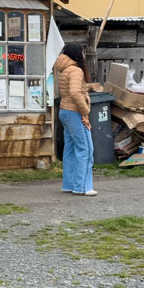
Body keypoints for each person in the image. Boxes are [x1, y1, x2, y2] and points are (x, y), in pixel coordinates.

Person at [55, 43, 97, 196]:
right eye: (83, 53)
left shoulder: (64, 69)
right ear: (78, 54)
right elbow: (74, 92)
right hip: (74, 112)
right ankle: (82, 187)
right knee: (85, 148)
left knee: (70, 149)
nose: (84, 56)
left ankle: (69, 184)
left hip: (64, 111)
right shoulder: (76, 70)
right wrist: (85, 111)